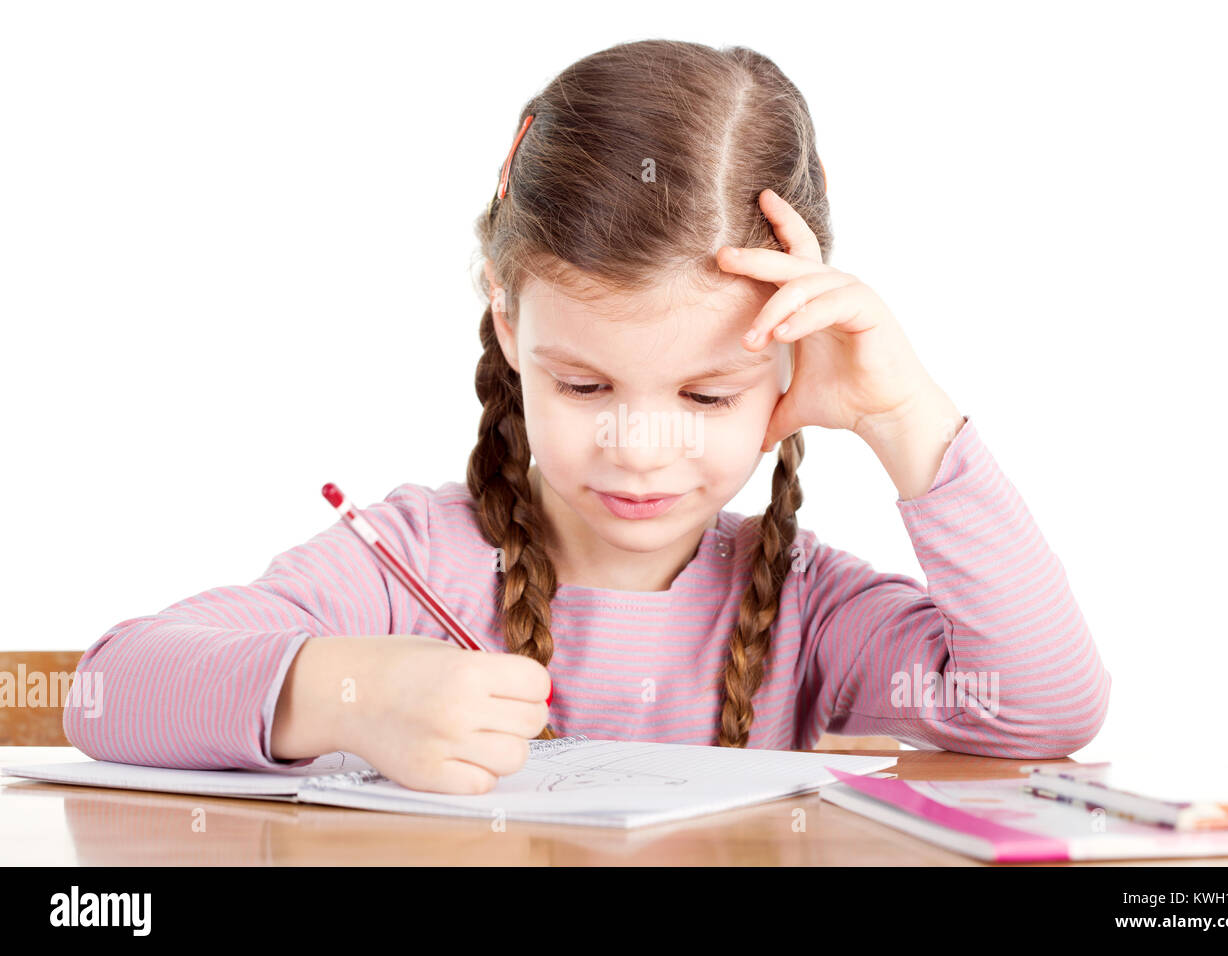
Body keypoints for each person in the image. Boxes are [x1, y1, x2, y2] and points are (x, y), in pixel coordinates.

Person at [64, 39, 1110, 795]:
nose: (640, 446)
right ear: (508, 321)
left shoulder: (808, 605)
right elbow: (108, 691)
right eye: (584, 385)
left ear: (792, 354)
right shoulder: (401, 562)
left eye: (706, 395)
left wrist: (904, 413)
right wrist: (349, 690)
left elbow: (1043, 706)